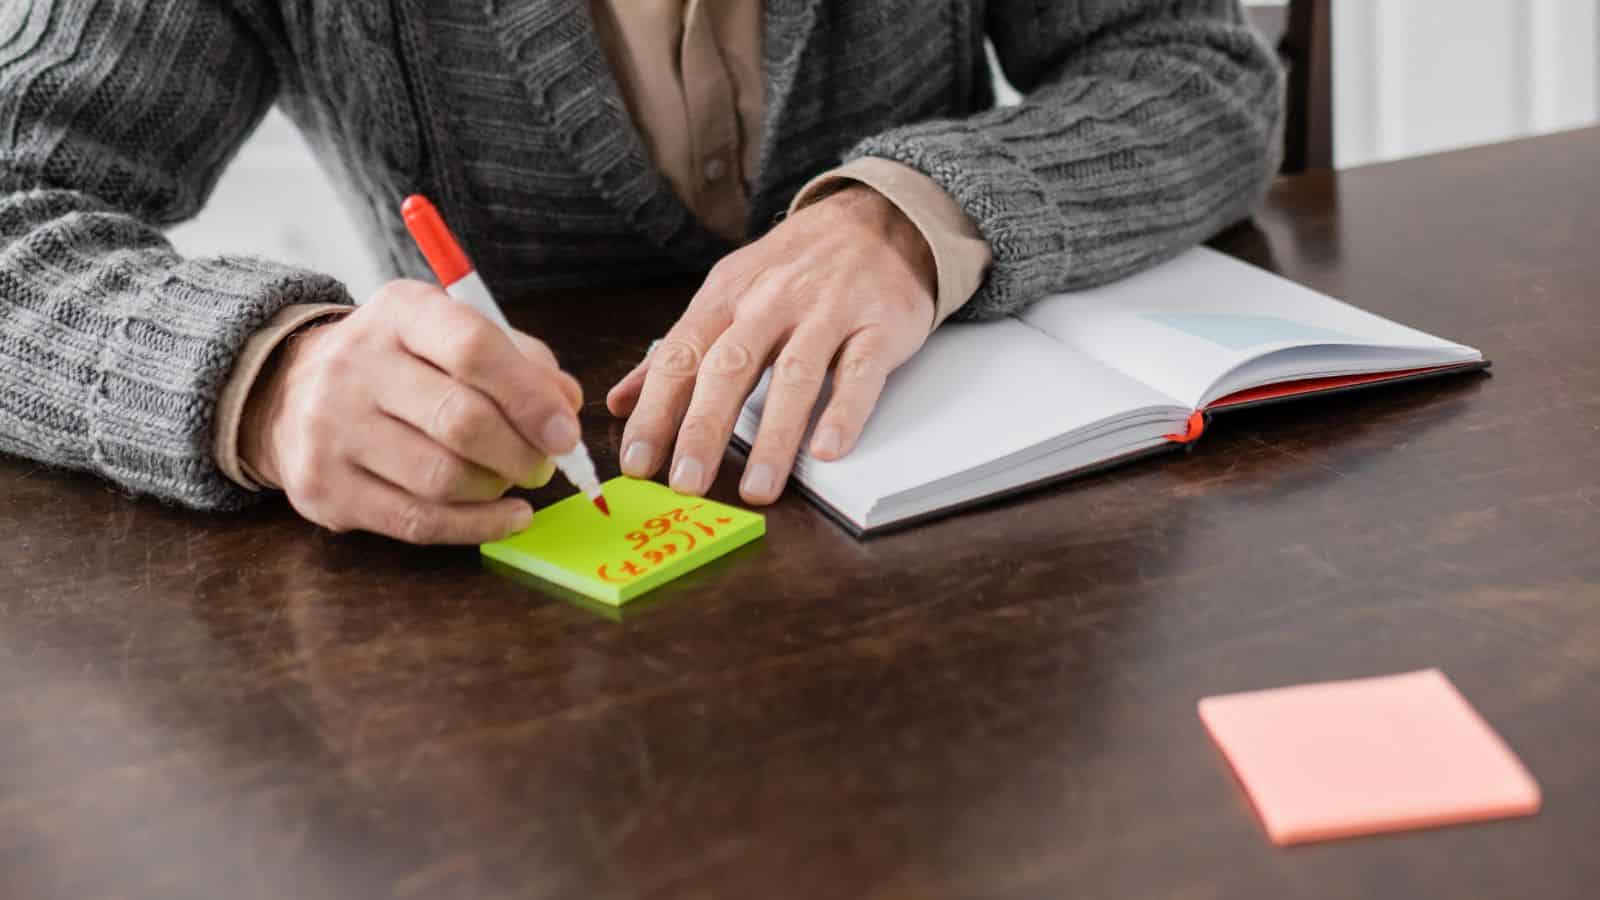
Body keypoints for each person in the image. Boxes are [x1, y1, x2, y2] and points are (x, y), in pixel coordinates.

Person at [0, 0, 1283, 545]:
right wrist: (268, 380)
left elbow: (1190, 65)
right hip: (503, 633)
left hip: (965, 560)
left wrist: (912, 217)